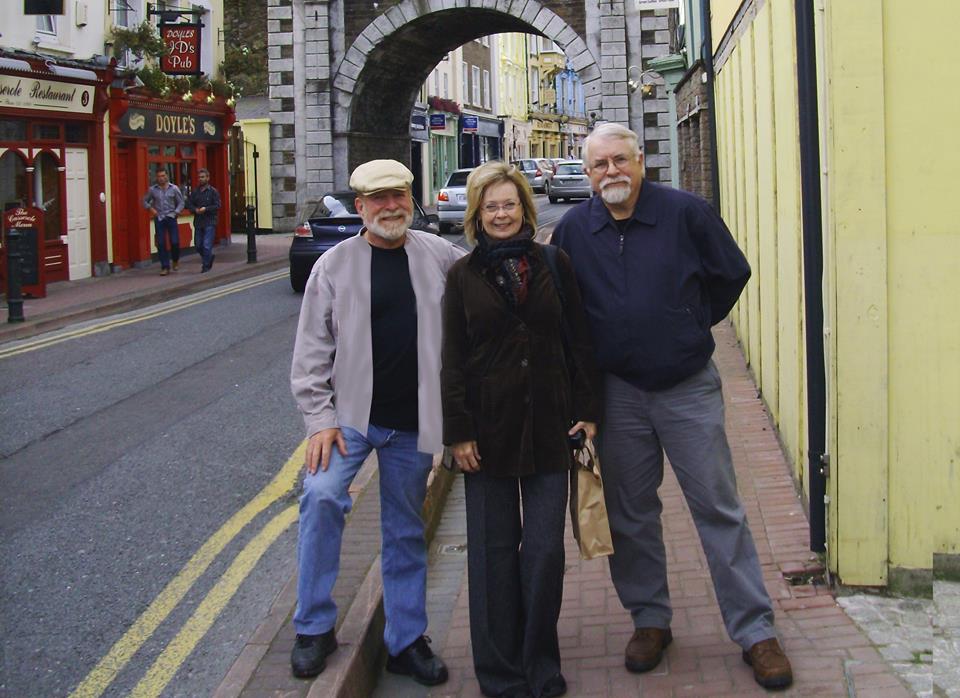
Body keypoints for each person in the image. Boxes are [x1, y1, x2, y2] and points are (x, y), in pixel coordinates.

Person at [551, 123, 794, 691]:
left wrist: (688, 324)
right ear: (587, 174)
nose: (611, 172)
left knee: (719, 508)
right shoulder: (574, 231)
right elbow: (562, 307)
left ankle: (756, 631)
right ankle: (650, 620)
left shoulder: (686, 213)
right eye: (599, 165)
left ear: (641, 161)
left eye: (620, 160)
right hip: (616, 394)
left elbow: (731, 273)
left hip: (686, 388)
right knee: (630, 515)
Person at [289, 159, 464, 685]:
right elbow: (311, 352)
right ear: (361, 207)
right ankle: (314, 627)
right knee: (321, 497)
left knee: (405, 528)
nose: (391, 207)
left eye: (399, 196)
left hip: (415, 419)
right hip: (349, 418)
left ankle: (405, 641)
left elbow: (484, 285)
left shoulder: (438, 254)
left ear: (411, 200)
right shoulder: (334, 266)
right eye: (378, 199)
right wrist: (319, 420)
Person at [441, 161, 601, 698]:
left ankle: (540, 661)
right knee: (492, 553)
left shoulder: (554, 263)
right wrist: (458, 432)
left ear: (525, 208)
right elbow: (452, 359)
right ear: (476, 215)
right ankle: (500, 671)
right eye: (491, 207)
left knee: (544, 553)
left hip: (551, 425)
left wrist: (588, 410)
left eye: (509, 204)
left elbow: (579, 340)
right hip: (486, 432)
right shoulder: (462, 276)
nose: (501, 214)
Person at [142, 169, 184, 275]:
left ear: (167, 176)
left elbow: (181, 202)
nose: (161, 178)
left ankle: (175, 260)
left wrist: (176, 212)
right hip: (159, 218)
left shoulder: (174, 188)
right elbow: (144, 201)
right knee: (161, 243)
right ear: (156, 178)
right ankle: (165, 267)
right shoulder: (152, 190)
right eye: (159, 176)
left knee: (174, 242)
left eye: (163, 176)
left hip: (171, 217)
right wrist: (151, 209)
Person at [185, 168, 221, 272]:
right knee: (198, 245)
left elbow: (217, 205)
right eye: (199, 177)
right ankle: (209, 258)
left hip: (210, 221)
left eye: (203, 177)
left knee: (206, 245)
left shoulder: (213, 191)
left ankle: (205, 266)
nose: (201, 179)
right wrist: (195, 210)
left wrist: (206, 209)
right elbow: (188, 204)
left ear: (208, 178)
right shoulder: (195, 192)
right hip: (199, 222)